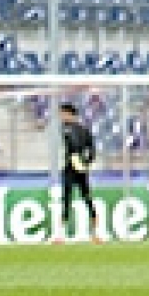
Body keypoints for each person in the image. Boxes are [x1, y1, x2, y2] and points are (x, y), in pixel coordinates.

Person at [54, 103, 102, 244]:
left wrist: (83, 162)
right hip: (74, 168)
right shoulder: (73, 129)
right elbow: (92, 151)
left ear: (70, 114)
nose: (62, 116)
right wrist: (86, 162)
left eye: (63, 113)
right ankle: (61, 235)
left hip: (75, 168)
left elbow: (88, 149)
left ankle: (94, 234)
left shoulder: (71, 130)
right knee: (77, 199)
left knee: (82, 199)